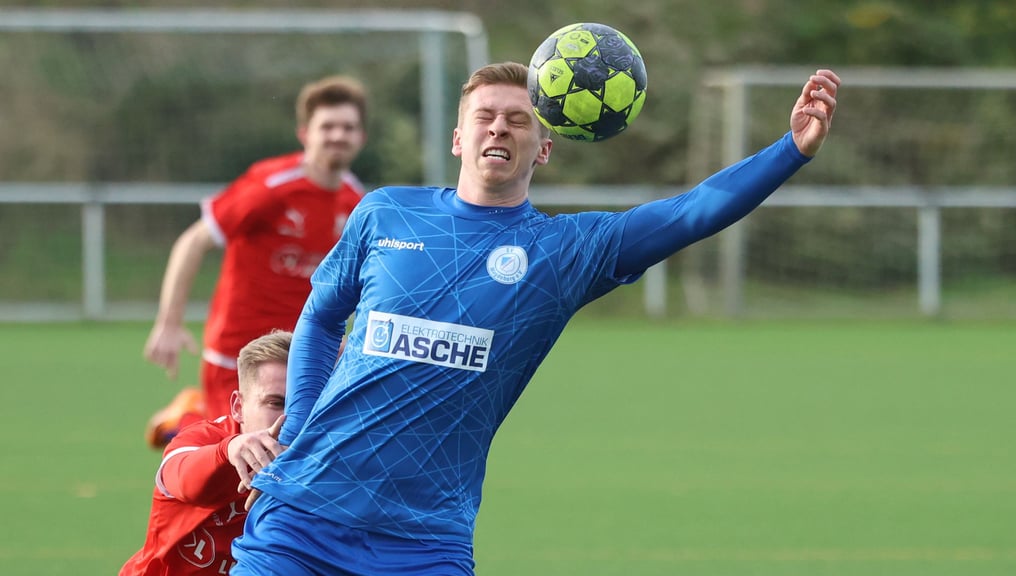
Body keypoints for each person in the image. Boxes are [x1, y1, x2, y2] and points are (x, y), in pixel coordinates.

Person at [231, 62, 841, 575]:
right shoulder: (386, 212)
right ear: (458, 138)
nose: (500, 126)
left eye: (519, 119)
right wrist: (295, 435)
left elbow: (690, 213)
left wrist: (790, 151)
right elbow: (318, 320)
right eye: (485, 116)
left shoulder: (567, 251)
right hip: (301, 518)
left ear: (544, 146)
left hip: (424, 541)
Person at [142, 75, 369, 448]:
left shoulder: (354, 200)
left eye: (348, 127)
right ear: (304, 133)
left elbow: (354, 283)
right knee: (238, 453)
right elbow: (193, 241)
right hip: (237, 350)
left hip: (304, 350)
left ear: (361, 137)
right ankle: (188, 418)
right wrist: (169, 323)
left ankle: (192, 417)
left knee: (296, 452)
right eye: (327, 126)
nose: (338, 136)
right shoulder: (270, 186)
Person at [121, 330, 291, 576]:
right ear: (238, 407)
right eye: (276, 403)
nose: (292, 417)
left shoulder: (320, 450)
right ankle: (186, 414)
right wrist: (227, 451)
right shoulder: (203, 441)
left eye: (302, 402)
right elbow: (182, 477)